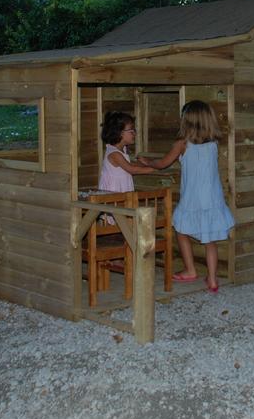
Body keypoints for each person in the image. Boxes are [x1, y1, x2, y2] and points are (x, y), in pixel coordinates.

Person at [138, 100, 234, 293]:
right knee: (210, 240)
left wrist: (147, 161)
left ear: (186, 120)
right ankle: (213, 280)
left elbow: (163, 163)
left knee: (181, 230)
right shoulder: (213, 144)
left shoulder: (182, 144)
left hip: (192, 198)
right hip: (212, 198)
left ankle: (190, 270)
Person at [98, 111, 156, 193]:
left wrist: (148, 163)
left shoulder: (123, 149)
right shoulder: (114, 153)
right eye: (131, 131)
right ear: (120, 133)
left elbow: (130, 164)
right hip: (112, 194)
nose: (135, 134)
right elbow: (132, 169)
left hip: (121, 191)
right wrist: (155, 168)